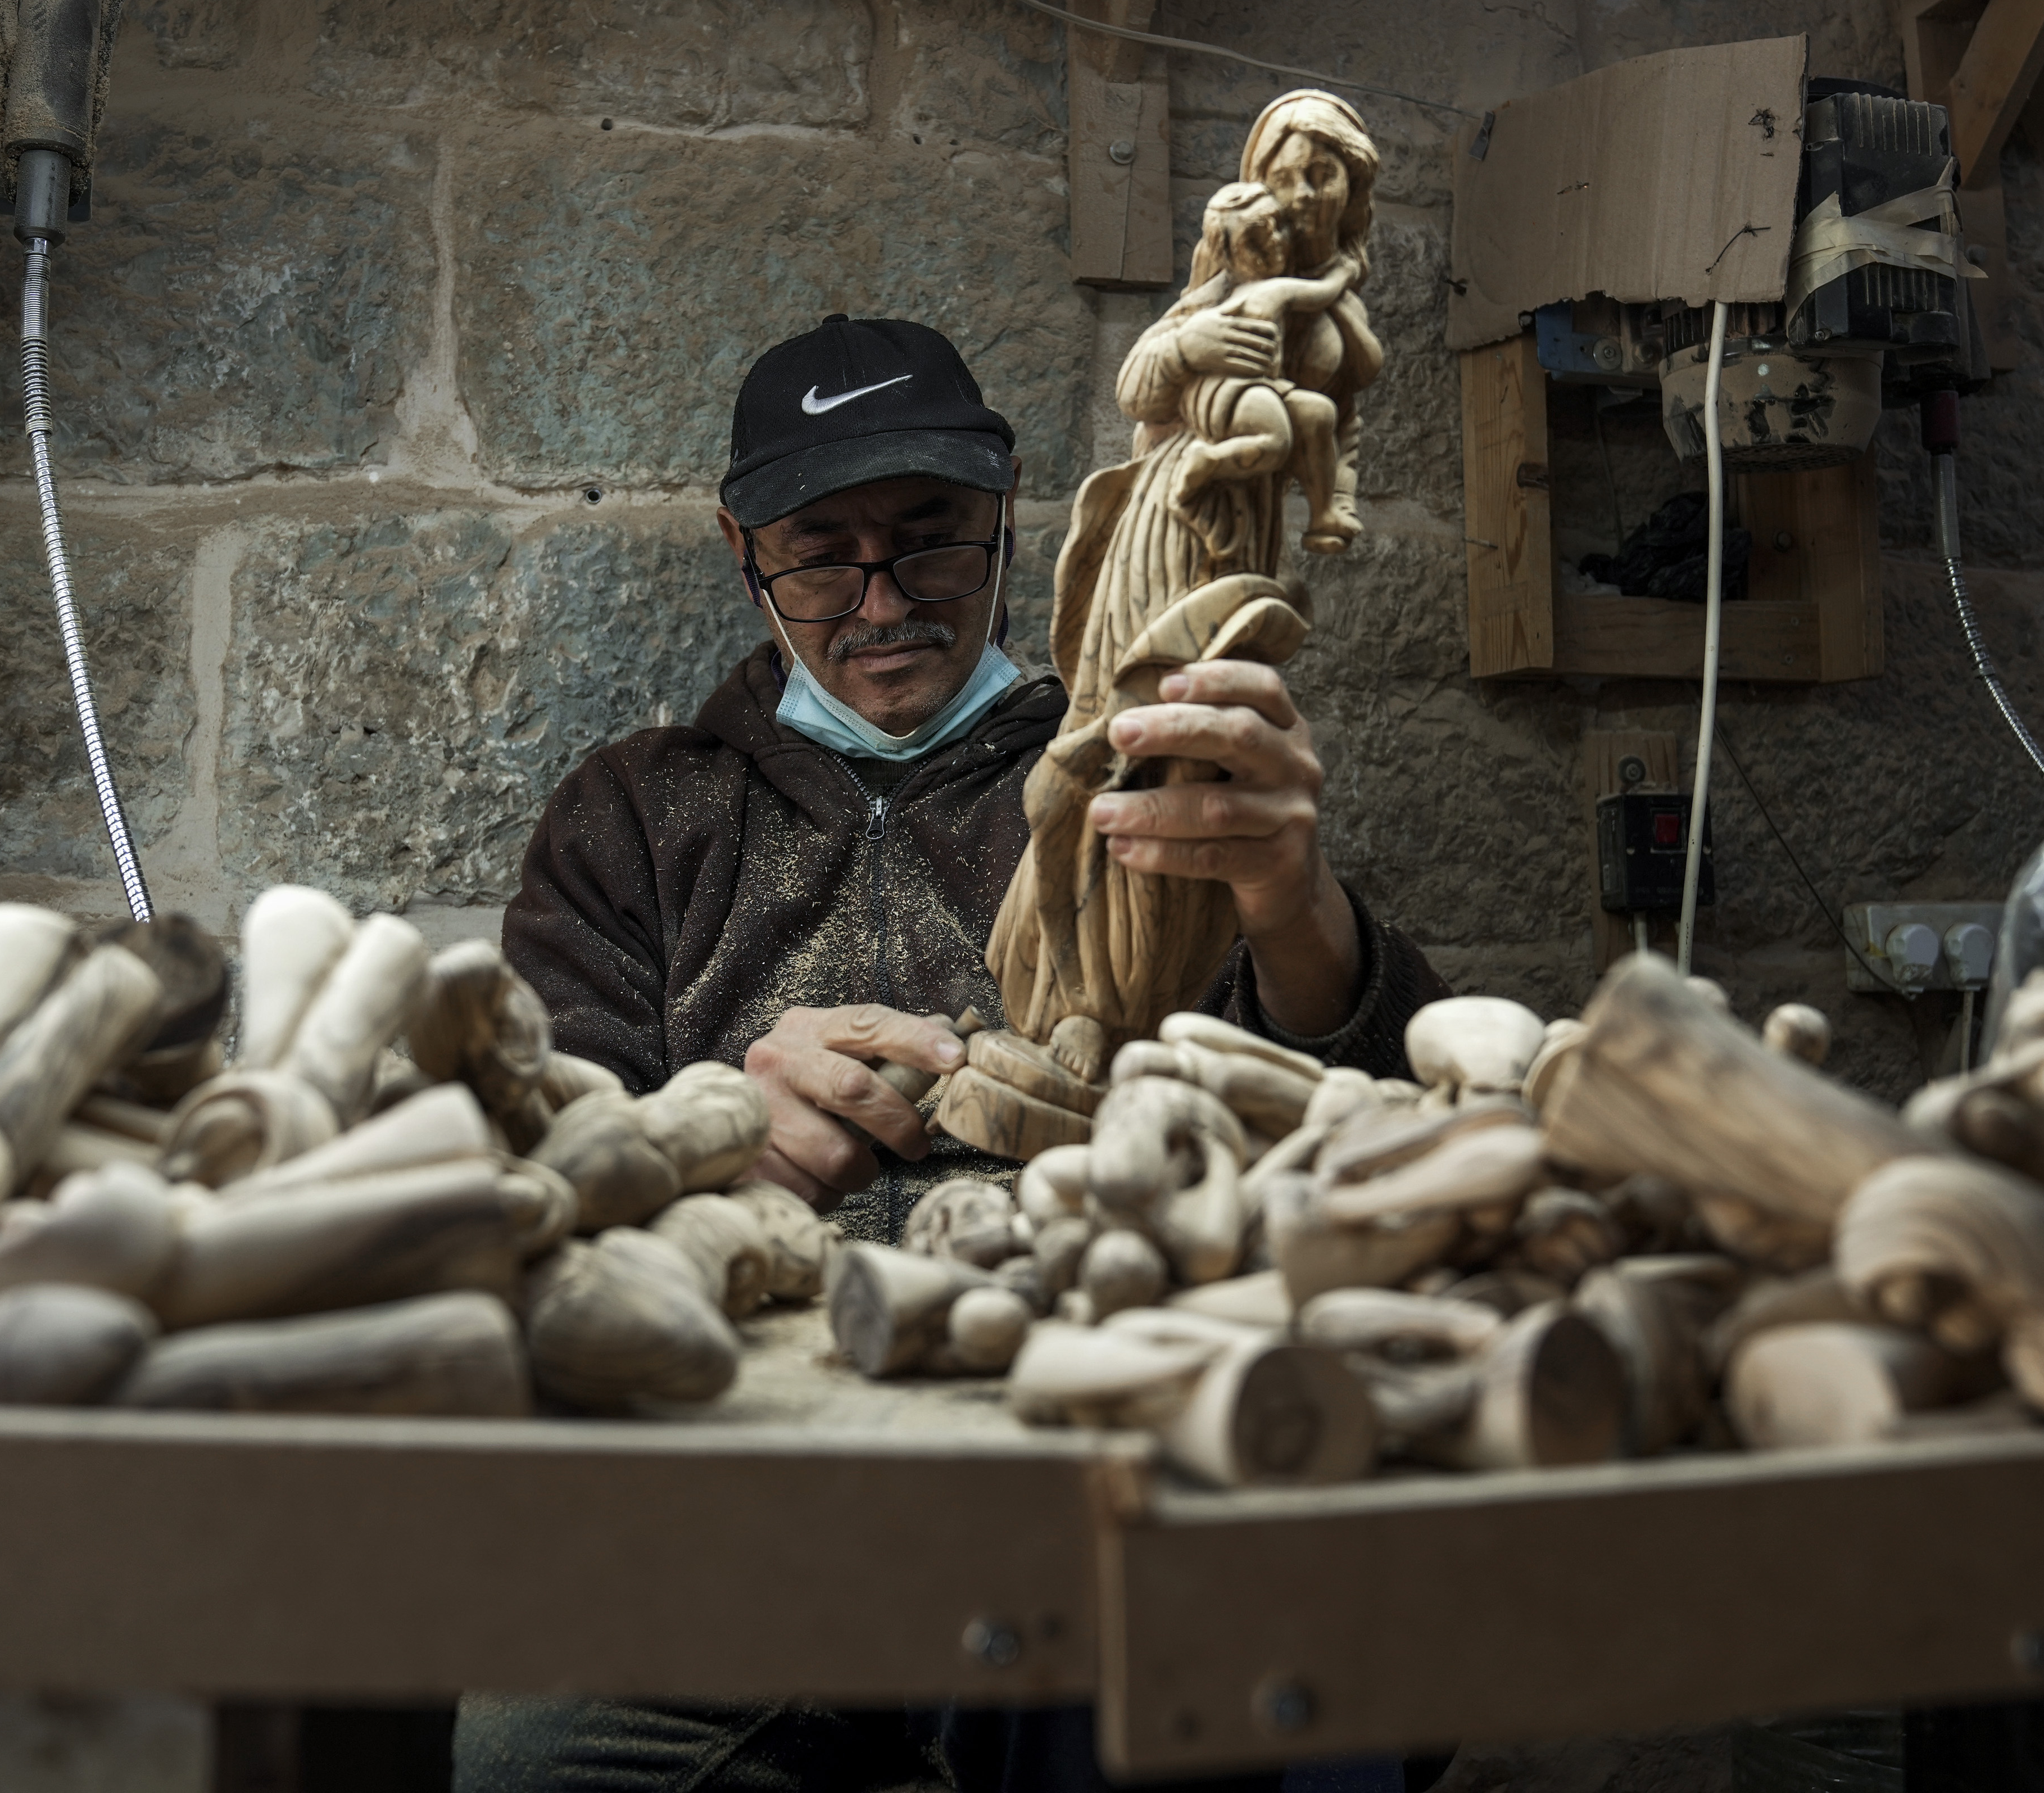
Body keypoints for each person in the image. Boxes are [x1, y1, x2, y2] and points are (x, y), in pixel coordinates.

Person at [457, 314, 1443, 1793]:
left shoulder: (1141, 774)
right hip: (744, 1498)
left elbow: (1375, 1117)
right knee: (540, 1757)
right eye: (820, 552)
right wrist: (726, 1143)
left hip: (1099, 1457)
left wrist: (1297, 903)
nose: (881, 602)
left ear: (1005, 515)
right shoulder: (639, 817)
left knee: (1312, 1714)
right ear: (743, 550)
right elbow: (534, 1183)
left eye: (930, 543)